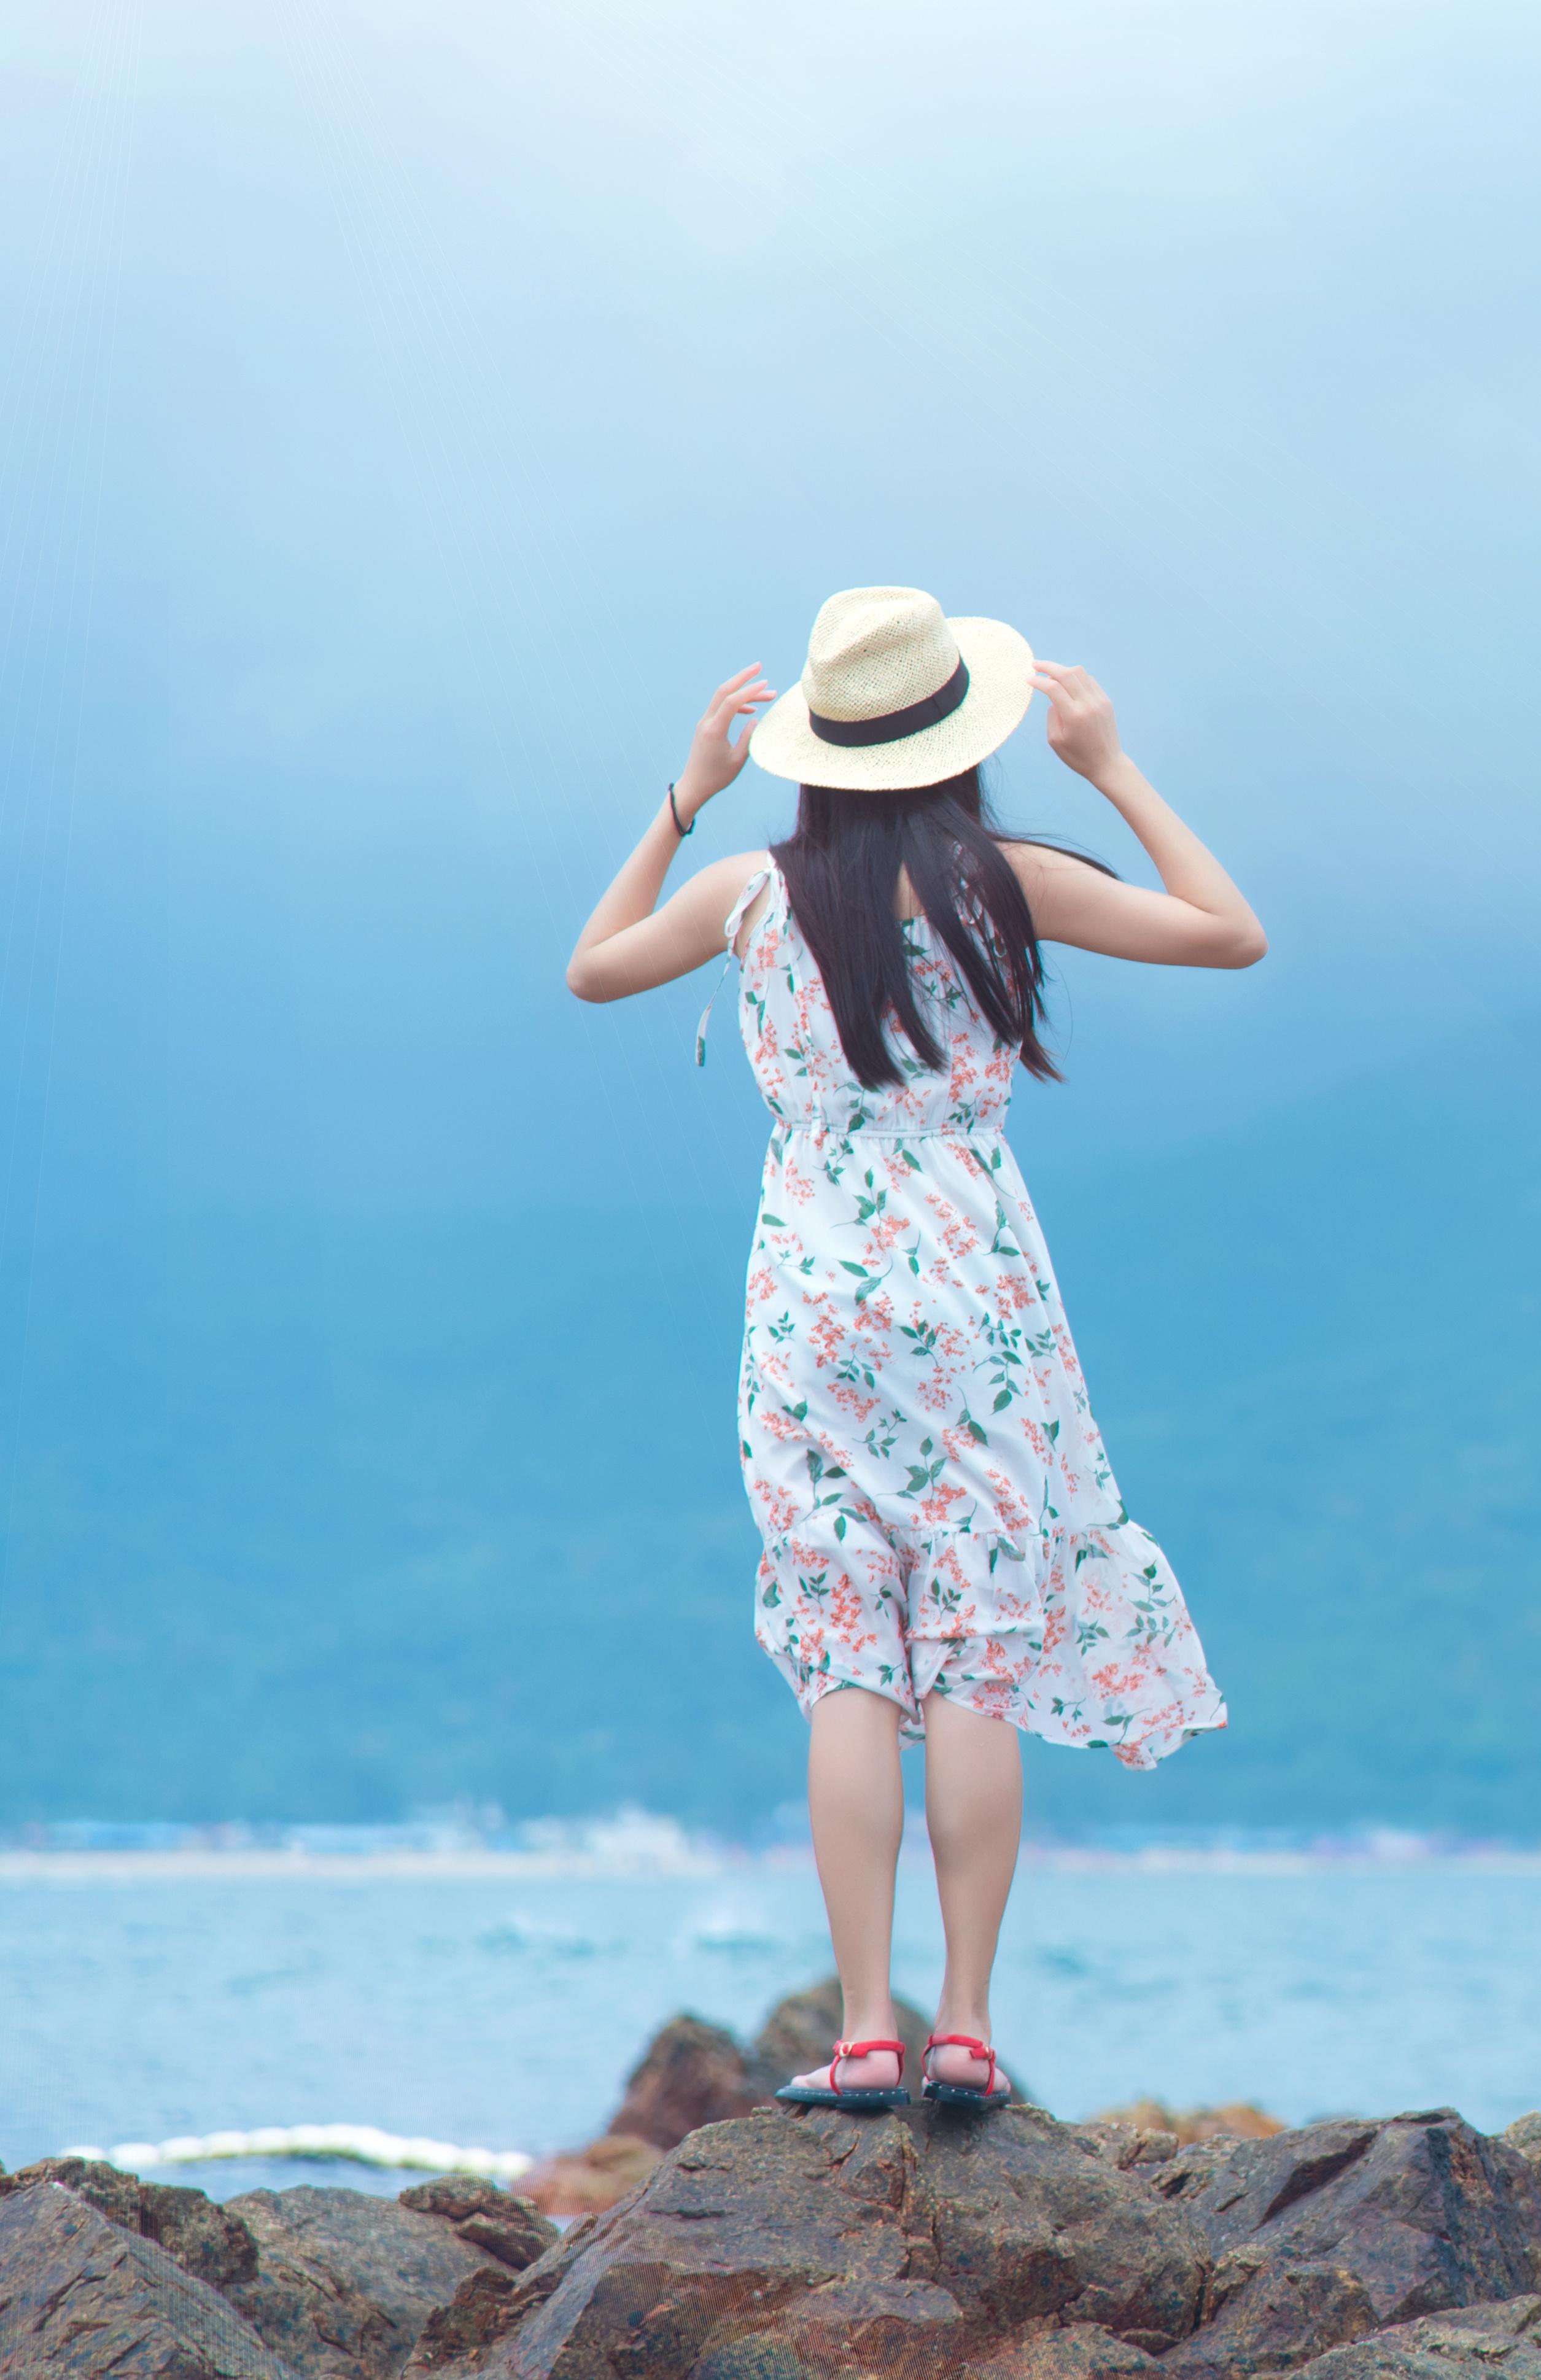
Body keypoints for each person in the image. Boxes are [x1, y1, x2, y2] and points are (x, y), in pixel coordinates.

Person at [565, 587, 1265, 2111]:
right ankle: (965, 2028)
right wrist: (1116, 771)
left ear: (819, 749)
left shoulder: (749, 893)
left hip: (811, 1299)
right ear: (958, 738)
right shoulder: (1004, 881)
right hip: (975, 1293)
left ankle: (864, 2027)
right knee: (976, 1659)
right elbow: (1232, 933)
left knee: (847, 1667)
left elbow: (594, 964)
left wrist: (687, 795)